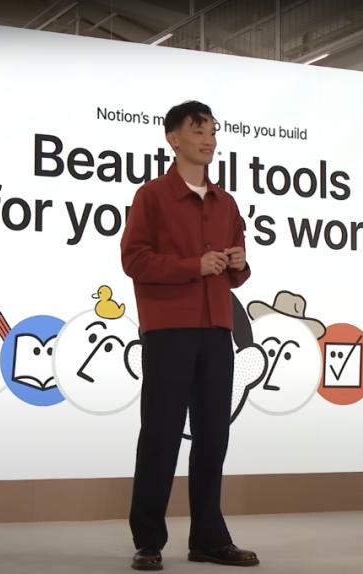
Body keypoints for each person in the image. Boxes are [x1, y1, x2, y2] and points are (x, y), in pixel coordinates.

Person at [120, 100, 259, 571]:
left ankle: (209, 539)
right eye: (198, 131)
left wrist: (239, 264)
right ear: (173, 139)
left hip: (217, 329)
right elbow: (134, 260)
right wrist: (192, 266)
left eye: (213, 132)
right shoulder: (152, 196)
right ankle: (148, 541)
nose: (209, 140)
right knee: (161, 433)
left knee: (214, 435)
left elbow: (237, 273)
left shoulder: (226, 203)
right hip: (168, 329)